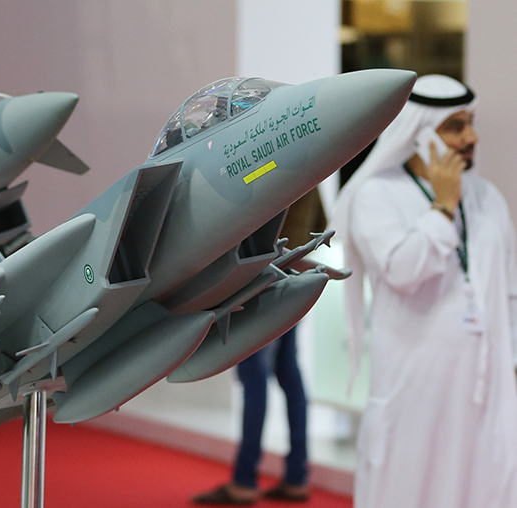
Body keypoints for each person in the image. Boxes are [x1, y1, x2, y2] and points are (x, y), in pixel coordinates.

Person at [335, 74, 517, 508]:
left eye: (470, 122)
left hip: (484, 386)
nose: (470, 137)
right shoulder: (376, 196)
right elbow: (403, 270)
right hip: (414, 390)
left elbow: (508, 293)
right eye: (455, 126)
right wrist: (442, 206)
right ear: (417, 133)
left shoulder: (488, 198)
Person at [193, 189, 324, 505]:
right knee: (289, 374)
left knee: (255, 376)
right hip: (295, 279)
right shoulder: (313, 177)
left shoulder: (275, 166)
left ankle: (245, 480)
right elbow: (321, 222)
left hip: (262, 281)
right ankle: (296, 476)